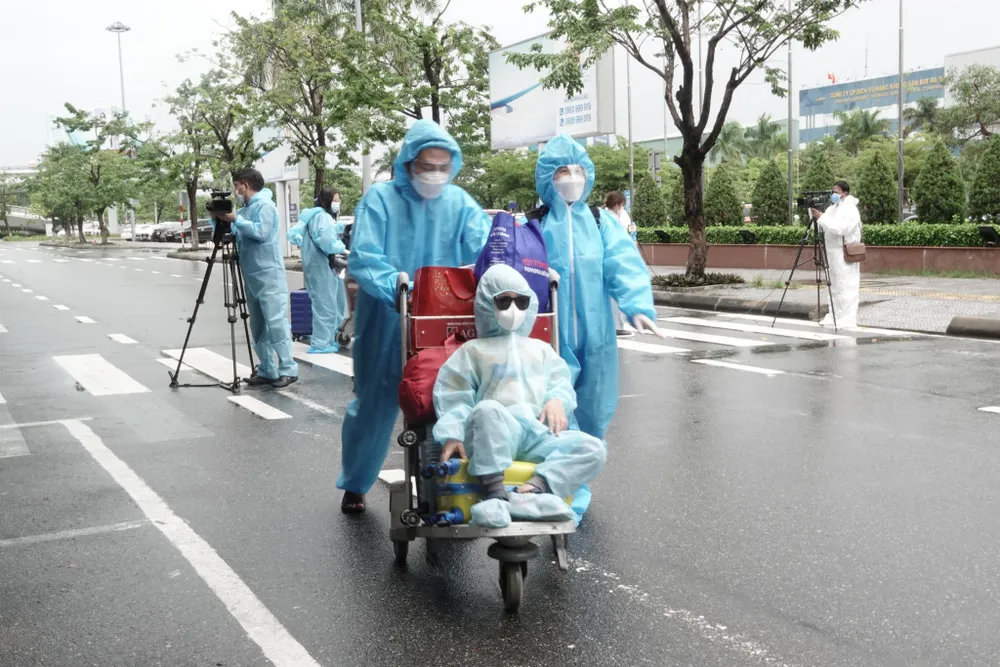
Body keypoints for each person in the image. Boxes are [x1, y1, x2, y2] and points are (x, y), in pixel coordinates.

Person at [337, 120, 490, 513]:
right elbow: (365, 258)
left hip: (445, 322)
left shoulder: (459, 204)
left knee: (448, 398)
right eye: (427, 165)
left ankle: (448, 483)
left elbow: (485, 250)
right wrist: (401, 290)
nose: (435, 174)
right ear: (408, 163)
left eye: (443, 166)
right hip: (389, 317)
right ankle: (356, 481)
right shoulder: (380, 200)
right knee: (375, 401)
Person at [534, 134, 662, 524]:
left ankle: (575, 482)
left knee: (592, 414)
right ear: (546, 178)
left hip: (597, 337)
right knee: (556, 412)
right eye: (561, 171)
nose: (570, 178)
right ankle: (561, 489)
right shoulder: (535, 225)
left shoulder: (599, 221)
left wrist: (637, 305)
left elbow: (623, 264)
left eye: (577, 170)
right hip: (550, 337)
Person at [433, 265, 607, 529]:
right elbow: (454, 395)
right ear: (486, 305)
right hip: (495, 433)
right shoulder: (473, 351)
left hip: (537, 432)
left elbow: (560, 382)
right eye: (503, 301)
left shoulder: (542, 350)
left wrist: (556, 400)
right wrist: (453, 434)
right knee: (486, 409)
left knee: (594, 448)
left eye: (521, 301)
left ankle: (532, 491)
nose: (513, 309)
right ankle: (494, 495)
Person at [216, 168, 299, 388]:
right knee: (258, 326)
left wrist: (236, 219)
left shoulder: (265, 206)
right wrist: (222, 219)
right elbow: (236, 232)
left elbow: (261, 232)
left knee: (276, 323)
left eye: (237, 185)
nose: (236, 190)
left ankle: (288, 368)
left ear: (245, 184)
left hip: (269, 273)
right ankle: (267, 369)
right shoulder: (246, 209)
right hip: (251, 273)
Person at [288, 187, 348, 353]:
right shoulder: (322, 217)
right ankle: (321, 343)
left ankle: (331, 337)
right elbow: (327, 239)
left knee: (332, 301)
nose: (337, 203)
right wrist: (341, 247)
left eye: (338, 200)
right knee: (325, 305)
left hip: (318, 265)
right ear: (327, 200)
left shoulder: (313, 216)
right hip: (321, 265)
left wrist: (338, 229)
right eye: (335, 200)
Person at [811, 180, 862, 329]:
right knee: (833, 285)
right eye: (832, 191)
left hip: (844, 251)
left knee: (846, 285)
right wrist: (816, 215)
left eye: (836, 192)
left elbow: (841, 229)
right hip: (832, 251)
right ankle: (834, 314)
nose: (833, 195)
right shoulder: (832, 209)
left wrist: (822, 218)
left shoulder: (850, 210)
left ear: (845, 194)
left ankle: (847, 317)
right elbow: (823, 225)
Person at [604, 191, 638, 337]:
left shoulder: (604, 217)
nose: (623, 208)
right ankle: (617, 326)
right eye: (623, 205)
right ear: (617, 205)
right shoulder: (613, 219)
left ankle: (612, 325)